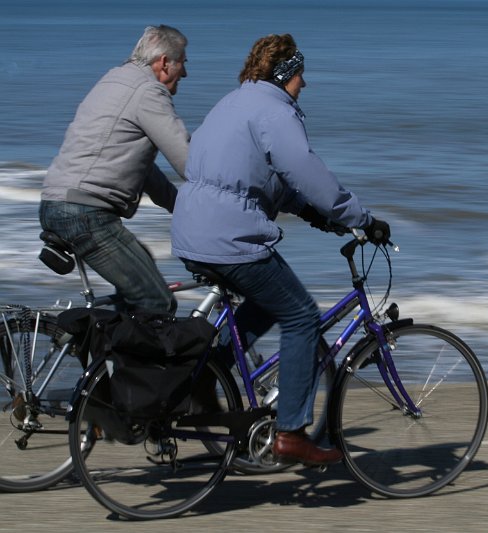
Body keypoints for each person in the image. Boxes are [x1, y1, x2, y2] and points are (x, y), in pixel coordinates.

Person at [170, 33, 391, 465]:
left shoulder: (233, 103)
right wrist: (359, 217)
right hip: (228, 236)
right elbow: (306, 170)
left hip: (193, 231)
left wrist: (312, 215)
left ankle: (207, 371)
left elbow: (255, 177)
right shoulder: (275, 111)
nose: (304, 84)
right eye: (301, 74)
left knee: (271, 302)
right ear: (286, 74)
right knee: (302, 315)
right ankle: (291, 431)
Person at [40, 25, 190, 314]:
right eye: (183, 62)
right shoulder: (147, 92)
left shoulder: (114, 80)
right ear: (164, 62)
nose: (185, 73)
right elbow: (188, 161)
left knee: (141, 276)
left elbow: (144, 171)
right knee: (156, 301)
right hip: (84, 214)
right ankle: (126, 357)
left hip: (59, 202)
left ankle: (106, 354)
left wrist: (182, 207)